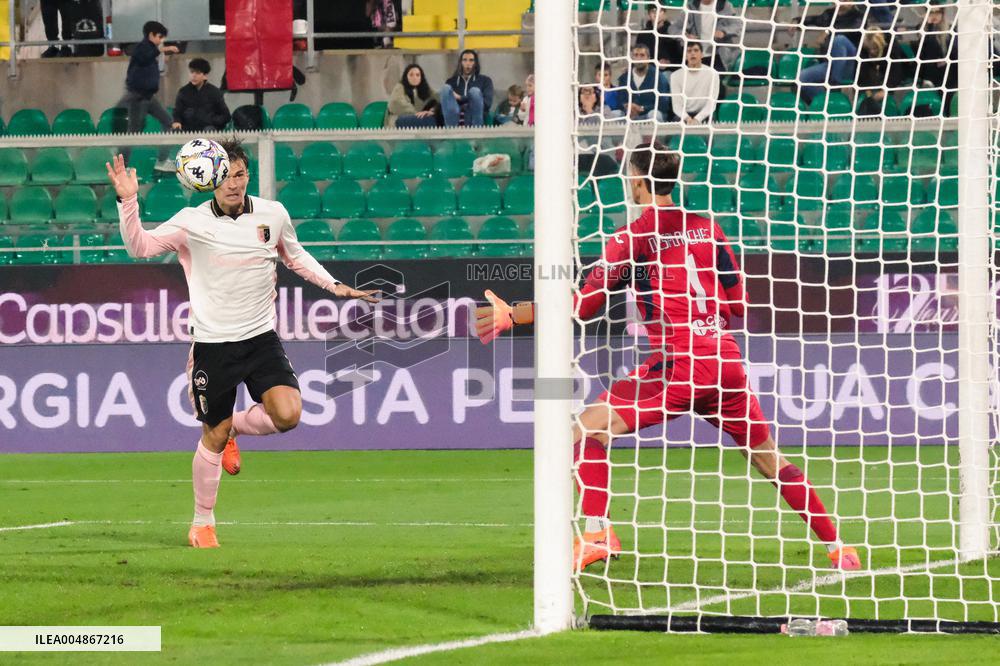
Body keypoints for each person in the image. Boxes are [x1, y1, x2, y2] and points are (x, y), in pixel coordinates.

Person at [473, 143, 861, 573]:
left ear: (638, 180)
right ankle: (838, 548)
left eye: (630, 176)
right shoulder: (709, 229)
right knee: (769, 458)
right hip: (726, 362)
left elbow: (582, 307)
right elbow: (739, 305)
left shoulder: (631, 238)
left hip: (679, 364)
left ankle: (599, 534)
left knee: (585, 431)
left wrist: (516, 314)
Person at [105, 141, 379, 549]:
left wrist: (334, 285)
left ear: (248, 175)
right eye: (226, 176)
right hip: (213, 344)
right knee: (213, 437)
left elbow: (296, 256)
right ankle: (202, 523)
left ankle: (236, 425)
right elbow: (138, 247)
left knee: (288, 414)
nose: (234, 183)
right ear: (209, 179)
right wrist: (128, 201)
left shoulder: (273, 214)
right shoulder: (191, 222)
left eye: (240, 174)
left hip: (261, 338)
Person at [115, 21, 179, 170]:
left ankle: (162, 160)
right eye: (160, 36)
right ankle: (121, 167)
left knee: (169, 123)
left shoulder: (151, 50)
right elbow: (144, 57)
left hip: (149, 97)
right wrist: (163, 49)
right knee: (133, 133)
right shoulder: (141, 48)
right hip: (138, 97)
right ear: (151, 35)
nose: (161, 40)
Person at [797, 1, 864, 104]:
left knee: (839, 40)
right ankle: (828, 102)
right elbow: (814, 19)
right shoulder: (829, 14)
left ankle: (835, 85)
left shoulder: (859, 16)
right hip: (830, 63)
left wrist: (828, 32)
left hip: (850, 64)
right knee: (802, 77)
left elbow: (851, 28)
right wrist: (797, 21)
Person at [670, 0, 742, 73]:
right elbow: (673, 28)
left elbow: (738, 25)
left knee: (716, 78)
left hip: (719, 56)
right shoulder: (690, 7)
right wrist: (685, 35)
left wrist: (724, 32)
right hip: (695, 56)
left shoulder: (725, 5)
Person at [611, 43, 671, 121]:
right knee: (614, 114)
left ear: (648, 58)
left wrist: (642, 108)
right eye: (636, 55)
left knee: (654, 114)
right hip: (629, 115)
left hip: (649, 114)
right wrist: (627, 106)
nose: (639, 58)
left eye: (642, 55)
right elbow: (620, 101)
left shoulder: (659, 77)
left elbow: (664, 105)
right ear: (632, 58)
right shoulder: (624, 78)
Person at [172, 58, 231, 132]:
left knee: (209, 130)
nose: (194, 75)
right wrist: (177, 121)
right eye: (192, 72)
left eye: (198, 73)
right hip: (188, 129)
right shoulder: (183, 92)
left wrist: (209, 120)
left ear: (205, 75)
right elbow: (177, 112)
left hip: (208, 129)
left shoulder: (214, 92)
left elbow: (226, 116)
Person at [440, 49, 495, 127]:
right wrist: (434, 110)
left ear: (475, 63)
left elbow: (487, 103)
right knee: (445, 88)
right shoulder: (451, 81)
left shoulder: (485, 80)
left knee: (474, 91)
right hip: (454, 117)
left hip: (474, 118)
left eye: (471, 60)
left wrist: (461, 98)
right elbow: (445, 105)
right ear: (460, 62)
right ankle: (451, 129)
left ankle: (475, 130)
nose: (468, 63)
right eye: (465, 60)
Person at [670, 41, 721, 124]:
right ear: (685, 56)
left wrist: (697, 119)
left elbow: (711, 104)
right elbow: (676, 105)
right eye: (689, 51)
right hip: (684, 115)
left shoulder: (713, 74)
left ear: (702, 54)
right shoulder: (675, 76)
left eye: (696, 50)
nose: (692, 53)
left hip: (705, 114)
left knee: (712, 122)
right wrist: (687, 118)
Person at [386, 64, 439, 129]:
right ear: (406, 76)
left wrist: (433, 110)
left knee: (434, 119)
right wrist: (417, 113)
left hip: (419, 118)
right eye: (411, 75)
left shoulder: (425, 88)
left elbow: (438, 98)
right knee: (429, 121)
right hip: (399, 120)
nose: (414, 77)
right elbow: (396, 103)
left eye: (417, 75)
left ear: (421, 77)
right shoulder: (400, 87)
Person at [637, 5, 685, 71]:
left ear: (664, 14)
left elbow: (681, 57)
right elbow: (637, 56)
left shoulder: (673, 33)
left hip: (670, 70)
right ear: (649, 14)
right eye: (653, 11)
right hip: (648, 70)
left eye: (659, 11)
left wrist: (669, 63)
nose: (656, 13)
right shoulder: (642, 35)